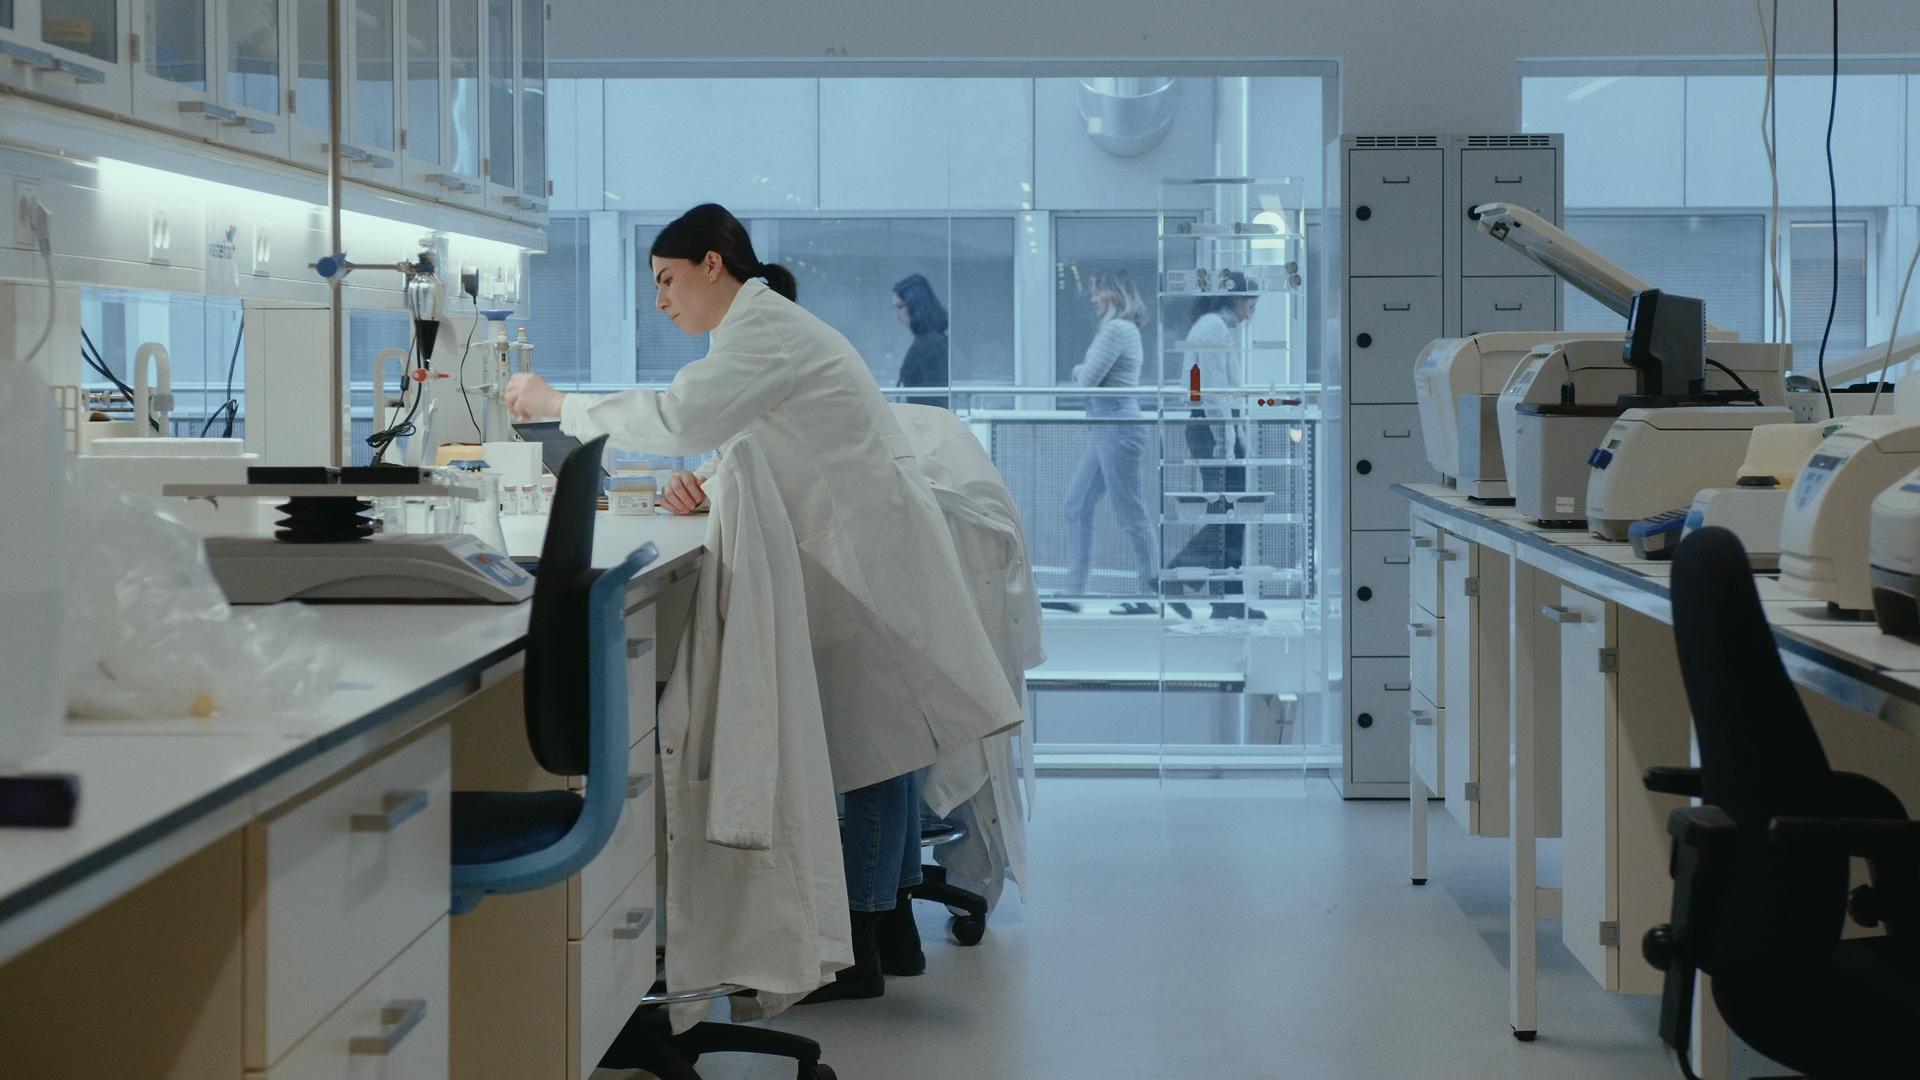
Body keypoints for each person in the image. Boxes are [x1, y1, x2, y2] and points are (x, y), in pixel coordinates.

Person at [505, 203, 1022, 1003]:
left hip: (863, 556)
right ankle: (875, 936)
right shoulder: (757, 332)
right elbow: (756, 437)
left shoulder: (762, 330)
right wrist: (704, 483)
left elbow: (682, 417)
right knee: (873, 741)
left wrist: (557, 405)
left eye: (668, 279)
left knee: (875, 742)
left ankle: (862, 946)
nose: (662, 300)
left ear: (714, 264)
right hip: (855, 547)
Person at [1052, 268, 1158, 616]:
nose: (1094, 300)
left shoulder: (1116, 329)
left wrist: (1079, 371)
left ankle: (1149, 593)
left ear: (1113, 295)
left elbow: (1086, 379)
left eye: (1098, 293)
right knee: (1075, 505)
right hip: (1106, 425)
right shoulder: (1118, 330)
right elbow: (1091, 375)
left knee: (1131, 512)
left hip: (1118, 425)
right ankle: (1073, 591)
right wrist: (1084, 370)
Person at [1166, 274, 1264, 620]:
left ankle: (1225, 600)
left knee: (1229, 516)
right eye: (1250, 302)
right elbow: (1211, 391)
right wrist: (1226, 444)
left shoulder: (1211, 327)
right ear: (1235, 300)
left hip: (1212, 428)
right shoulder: (1214, 329)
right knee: (1229, 515)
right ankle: (1180, 579)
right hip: (1213, 430)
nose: (1252, 310)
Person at [893, 273, 950, 409]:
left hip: (925, 422)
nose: (898, 315)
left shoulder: (931, 344)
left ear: (915, 305)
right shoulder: (930, 341)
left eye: (900, 306)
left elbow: (933, 396)